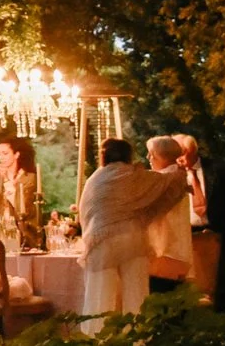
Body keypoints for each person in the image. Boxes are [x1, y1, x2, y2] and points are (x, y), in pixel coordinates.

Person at [75, 137, 189, 330]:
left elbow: (86, 212)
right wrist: (180, 176)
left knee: (100, 294)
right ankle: (137, 338)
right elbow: (168, 180)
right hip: (132, 237)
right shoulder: (134, 176)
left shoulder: (95, 179)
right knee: (136, 293)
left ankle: (97, 338)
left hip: (101, 239)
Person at [184, 133, 225, 304]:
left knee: (221, 282)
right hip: (187, 235)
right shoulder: (172, 174)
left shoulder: (217, 169)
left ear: (193, 152)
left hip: (217, 232)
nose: (181, 159)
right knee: (192, 286)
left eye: (184, 153)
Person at [144, 135, 195, 293]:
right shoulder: (178, 177)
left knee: (161, 301)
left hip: (165, 252)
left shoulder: (164, 181)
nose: (148, 158)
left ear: (161, 156)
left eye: (151, 153)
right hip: (176, 250)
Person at [0, 135, 43, 250]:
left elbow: (23, 209)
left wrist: (7, 180)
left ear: (16, 154)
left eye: (5, 153)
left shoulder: (29, 178)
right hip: (1, 234)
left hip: (25, 235)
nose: (1, 158)